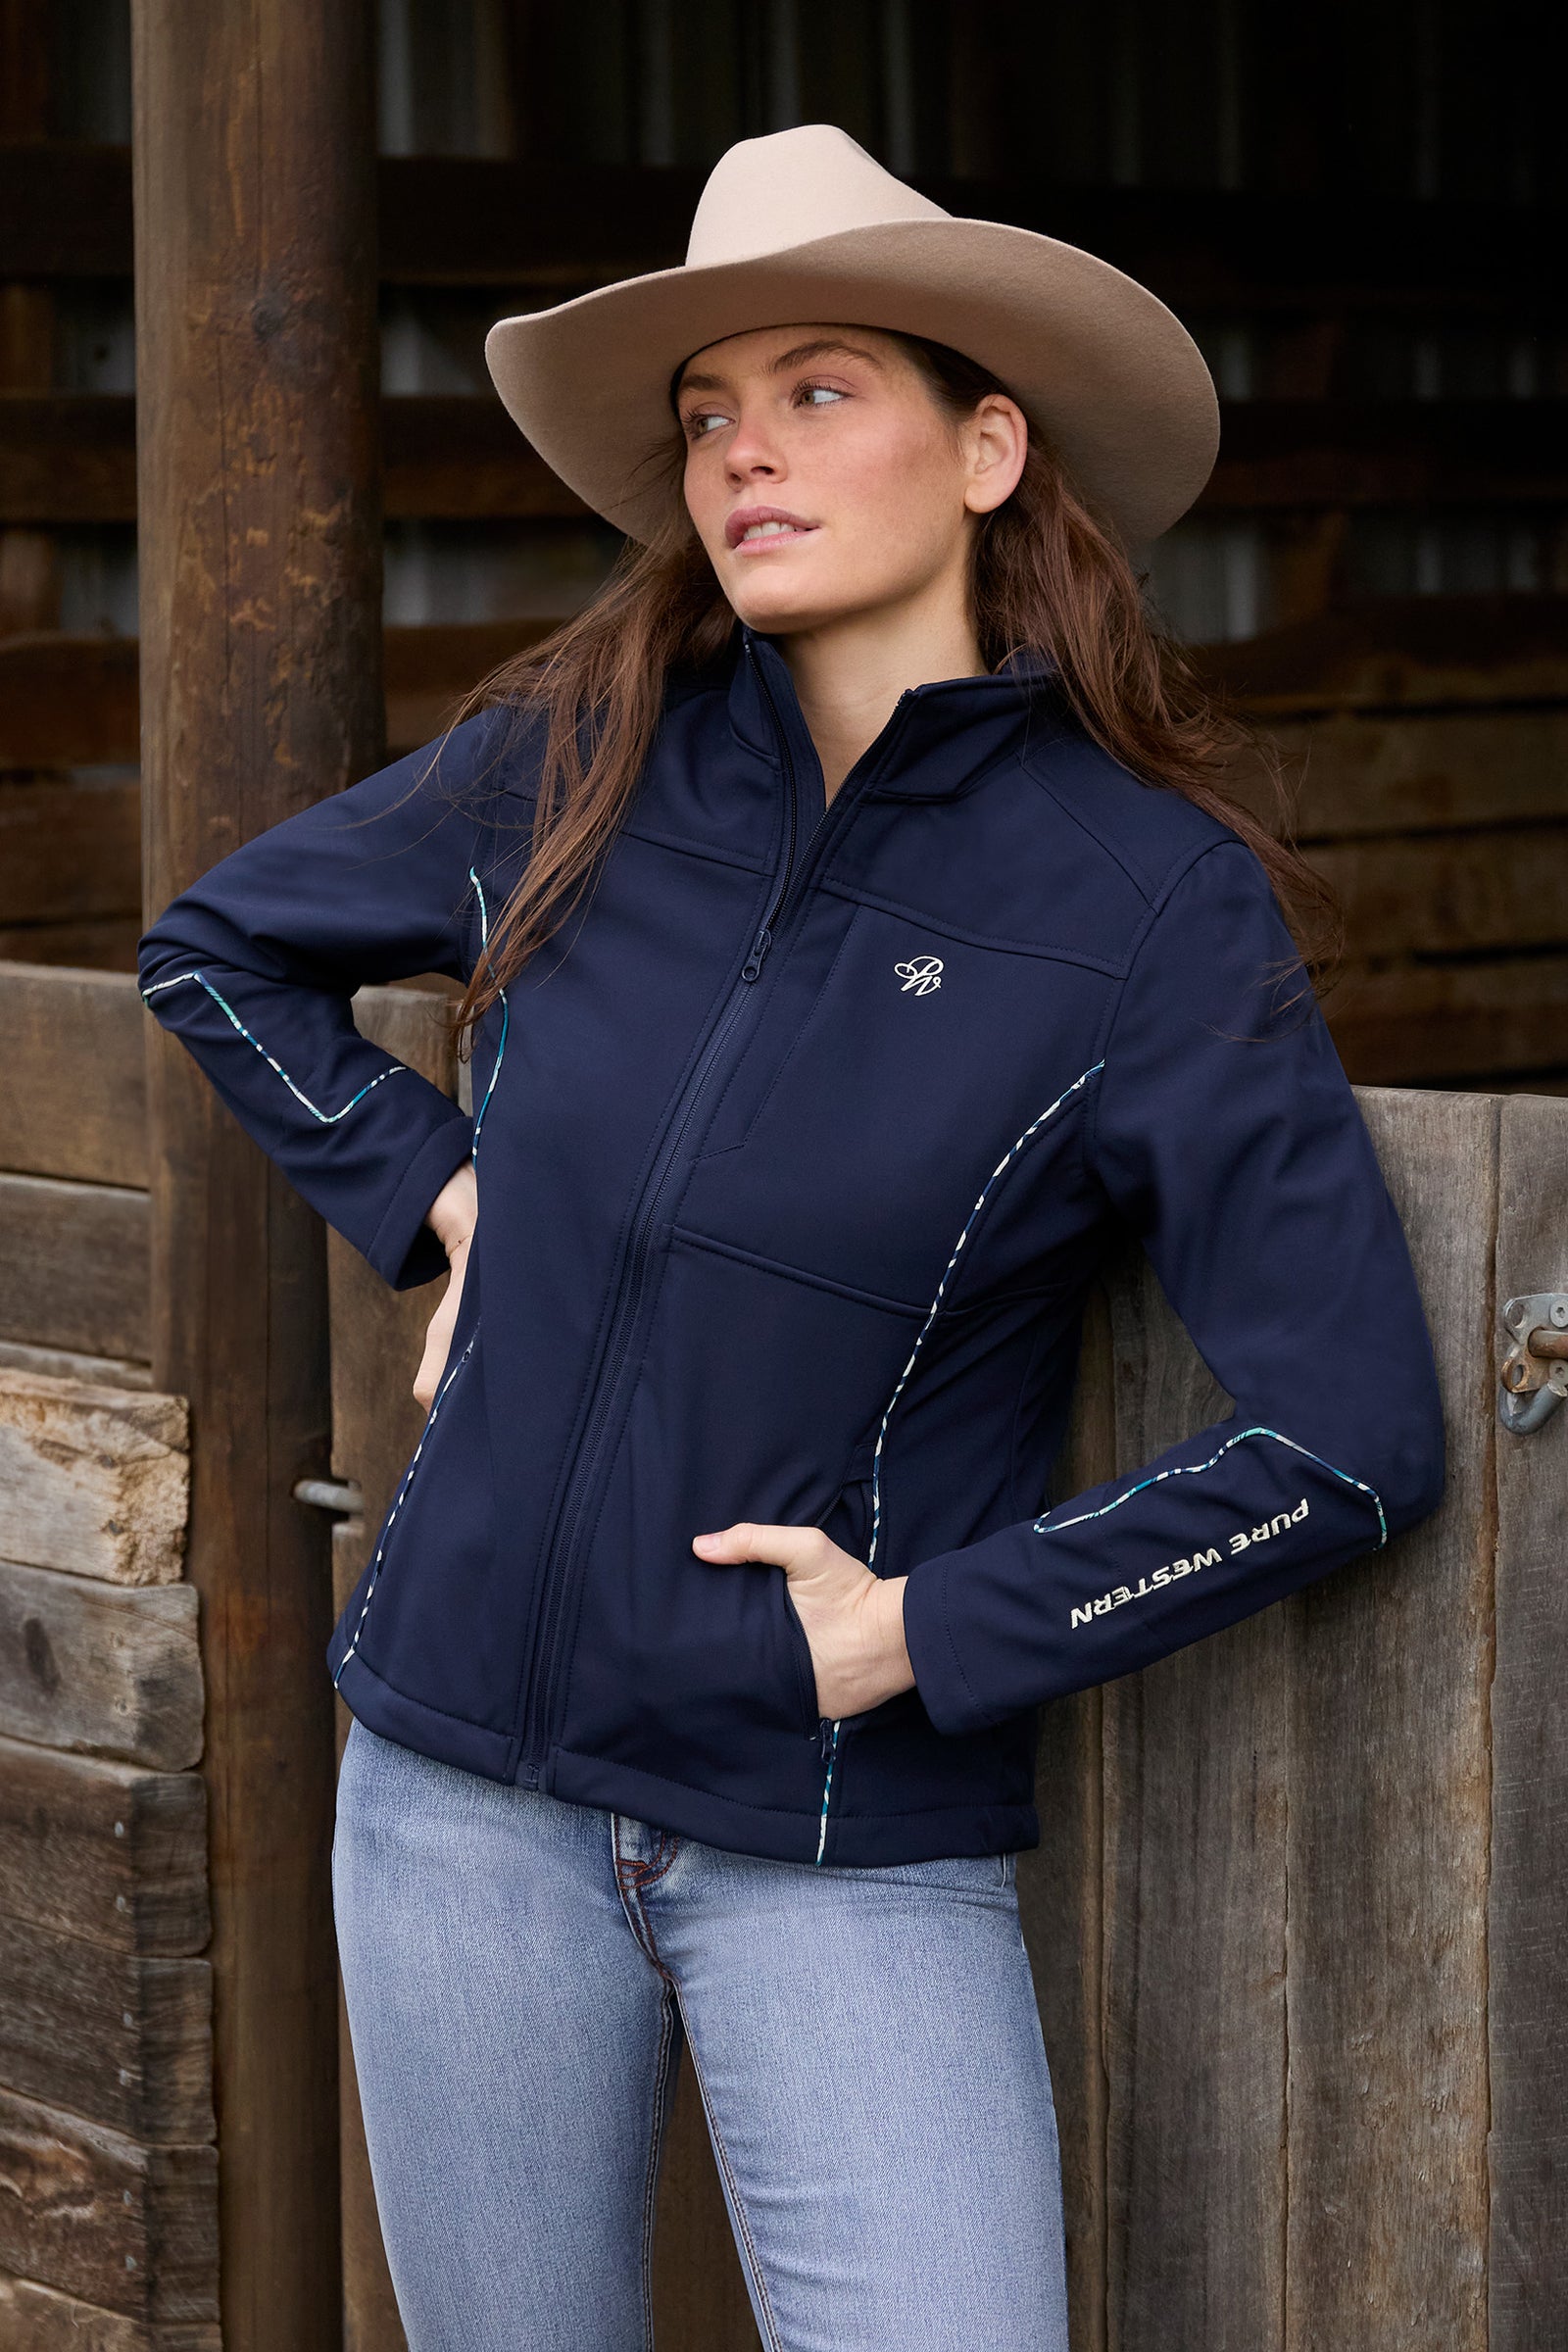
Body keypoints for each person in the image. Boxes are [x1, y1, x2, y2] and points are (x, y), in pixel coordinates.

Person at [138, 124, 1446, 2352]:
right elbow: (212, 954)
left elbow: (1348, 1438)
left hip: (832, 1831)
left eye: (819, 388)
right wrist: (446, 1196)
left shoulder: (1142, 909)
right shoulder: (582, 756)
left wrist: (925, 1632)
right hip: (450, 1791)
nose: (742, 451)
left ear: (988, 448)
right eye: (705, 413)